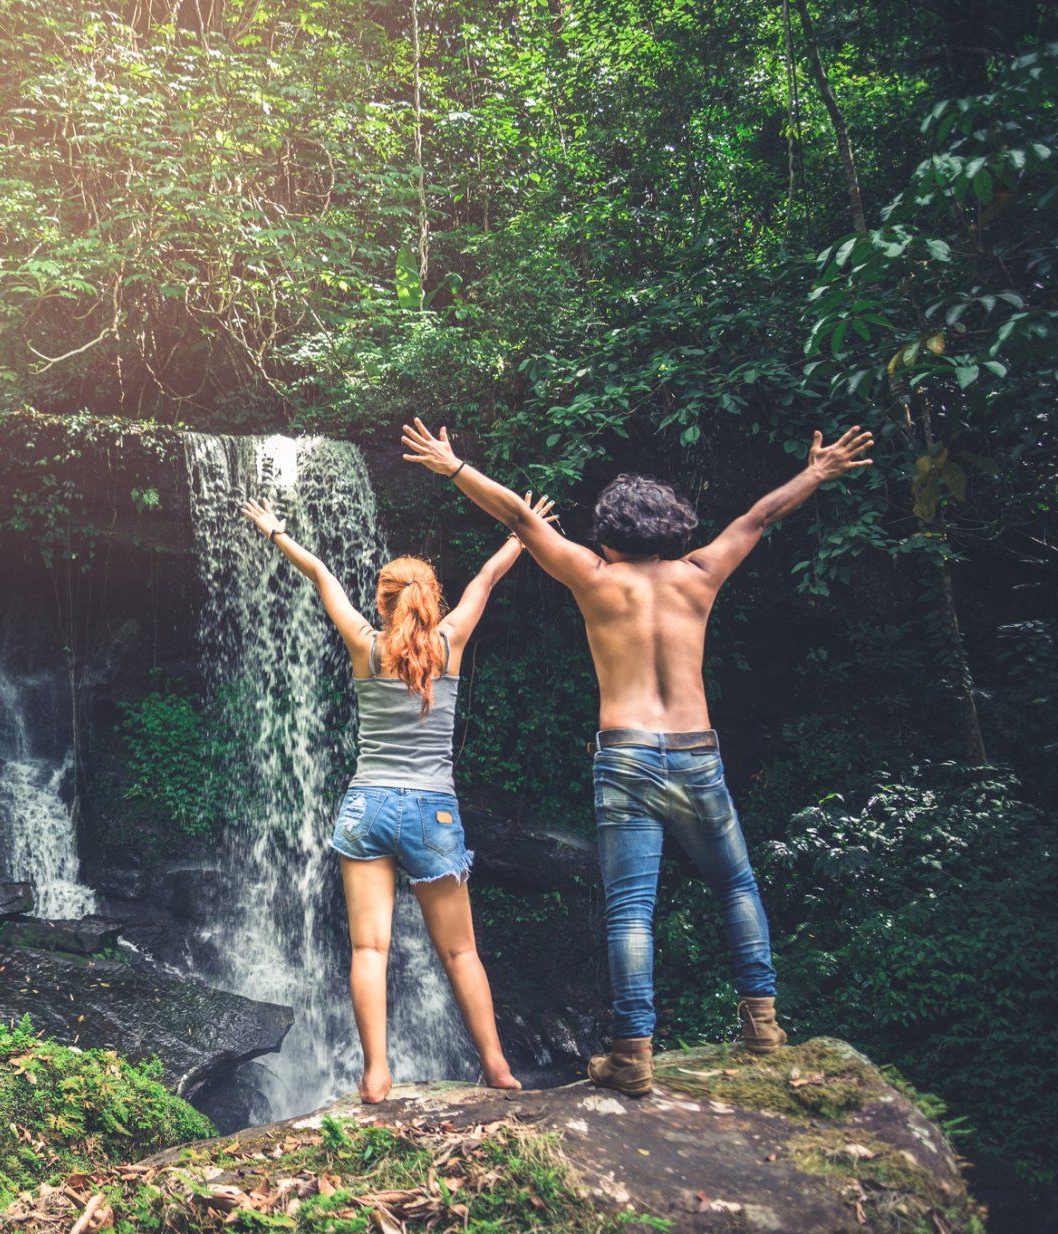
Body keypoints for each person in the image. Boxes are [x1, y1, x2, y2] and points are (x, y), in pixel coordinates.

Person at [398, 417, 875, 1096]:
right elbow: (760, 514)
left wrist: (451, 467)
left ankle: (634, 1056)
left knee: (629, 909)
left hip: (624, 758)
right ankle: (764, 1028)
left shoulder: (594, 578)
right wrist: (818, 472)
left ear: (610, 532)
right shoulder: (701, 573)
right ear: (673, 528)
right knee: (736, 885)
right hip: (696, 752)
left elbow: (518, 518)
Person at [238, 492, 555, 1101]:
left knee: (369, 947)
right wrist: (523, 532)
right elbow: (487, 578)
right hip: (433, 811)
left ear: (382, 603)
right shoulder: (451, 642)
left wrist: (277, 530)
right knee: (461, 951)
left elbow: (321, 574)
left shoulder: (367, 645)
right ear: (432, 600)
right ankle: (496, 1067)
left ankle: (376, 1074)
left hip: (367, 807)